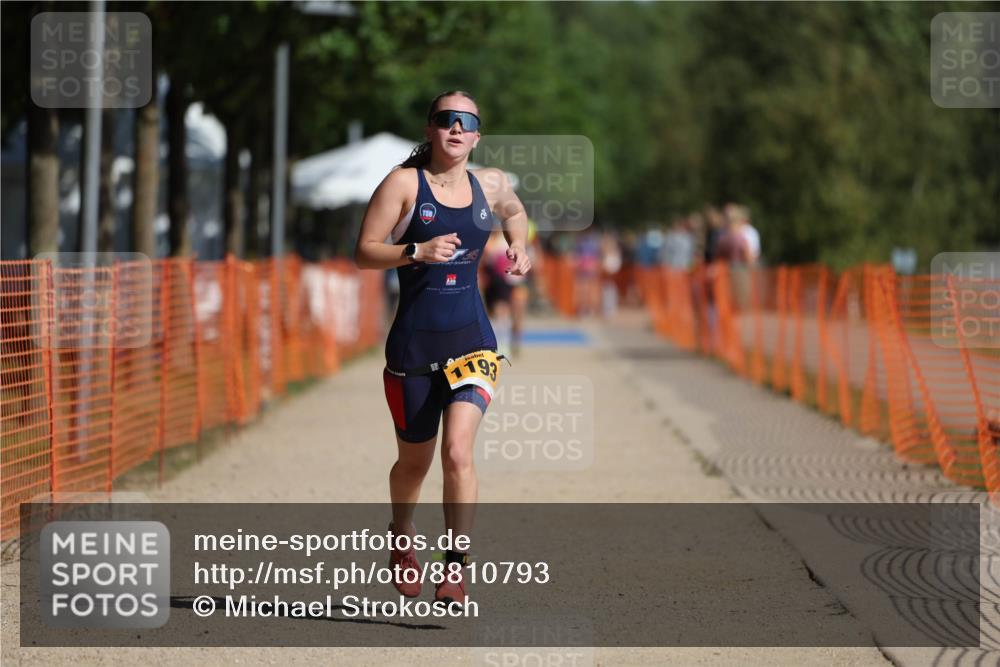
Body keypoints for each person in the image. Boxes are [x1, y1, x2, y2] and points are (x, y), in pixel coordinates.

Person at [354, 90, 531, 609]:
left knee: (458, 451)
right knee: (414, 464)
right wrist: (416, 251)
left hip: (472, 341)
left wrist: (518, 242)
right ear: (430, 128)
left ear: (478, 134)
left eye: (467, 122)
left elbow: (513, 209)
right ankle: (402, 535)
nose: (456, 129)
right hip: (412, 344)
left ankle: (455, 566)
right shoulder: (404, 183)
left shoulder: (491, 182)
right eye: (446, 120)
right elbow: (364, 252)